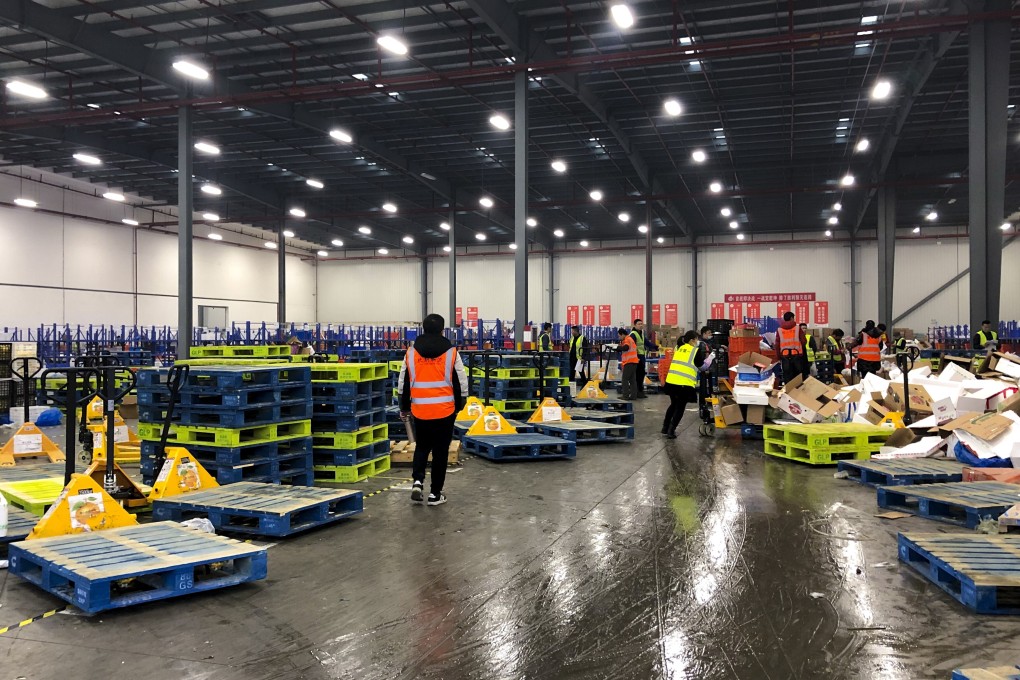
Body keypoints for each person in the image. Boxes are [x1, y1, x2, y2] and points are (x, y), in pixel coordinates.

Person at [398, 313, 468, 507]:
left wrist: (404, 406)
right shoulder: (452, 352)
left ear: (423, 328)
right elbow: (460, 380)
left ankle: (418, 481)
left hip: (420, 409)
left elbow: (403, 381)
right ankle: (435, 494)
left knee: (422, 446)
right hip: (445, 411)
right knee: (440, 452)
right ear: (442, 330)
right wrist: (460, 403)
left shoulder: (411, 352)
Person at [662, 331, 706, 439]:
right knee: (680, 407)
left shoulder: (678, 348)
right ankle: (671, 431)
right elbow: (702, 367)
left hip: (671, 381)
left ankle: (665, 427)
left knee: (673, 404)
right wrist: (710, 360)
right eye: (696, 339)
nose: (697, 342)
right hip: (683, 384)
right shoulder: (695, 351)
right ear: (692, 340)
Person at [775, 312, 807, 384]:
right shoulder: (797, 328)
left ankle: (788, 392)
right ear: (792, 318)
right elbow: (804, 341)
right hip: (797, 355)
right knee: (797, 376)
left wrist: (778, 357)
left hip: (784, 356)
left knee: (787, 376)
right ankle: (798, 392)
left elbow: (777, 345)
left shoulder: (779, 330)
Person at [630, 319, 654, 399]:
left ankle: (640, 392)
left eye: (641, 324)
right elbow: (632, 346)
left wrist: (655, 347)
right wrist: (636, 357)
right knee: (638, 375)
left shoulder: (641, 334)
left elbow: (646, 342)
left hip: (642, 356)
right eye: (639, 324)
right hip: (636, 357)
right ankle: (637, 392)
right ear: (635, 325)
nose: (641, 325)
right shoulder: (633, 334)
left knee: (641, 374)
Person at [617, 328, 639, 400]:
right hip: (634, 362)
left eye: (619, 336)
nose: (619, 338)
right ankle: (633, 396)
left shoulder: (627, 339)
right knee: (632, 380)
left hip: (629, 362)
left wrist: (617, 347)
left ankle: (625, 396)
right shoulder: (630, 339)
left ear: (623, 334)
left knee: (625, 379)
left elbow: (626, 348)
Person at [568, 325, 590, 390]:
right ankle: (571, 385)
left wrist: (583, 357)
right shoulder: (572, 338)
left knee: (581, 372)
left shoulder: (582, 338)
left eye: (572, 331)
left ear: (575, 331)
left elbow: (585, 349)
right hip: (572, 358)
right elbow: (571, 347)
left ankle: (585, 383)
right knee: (572, 372)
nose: (571, 332)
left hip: (579, 358)